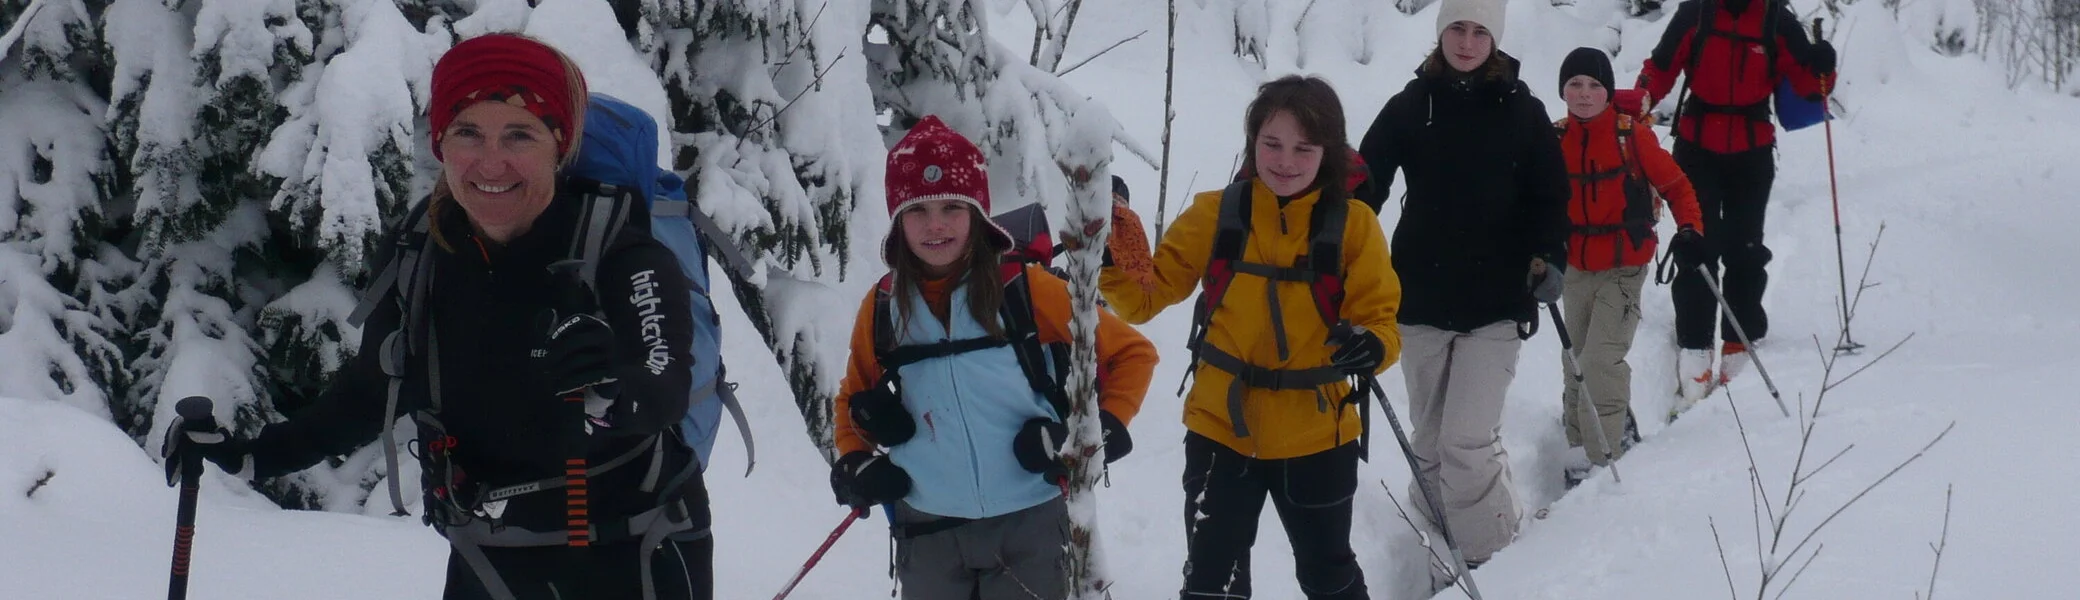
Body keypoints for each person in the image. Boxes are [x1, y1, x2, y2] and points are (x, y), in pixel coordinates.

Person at [158, 34, 713, 599]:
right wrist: (253, 456)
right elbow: (372, 390)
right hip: (486, 556)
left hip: (631, 554)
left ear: (558, 144)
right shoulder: (422, 251)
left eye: (519, 134)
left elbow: (664, 381)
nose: (490, 161)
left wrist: (615, 392)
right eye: (468, 132)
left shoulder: (620, 251)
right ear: (441, 142)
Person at [826, 115, 1158, 600]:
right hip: (929, 525)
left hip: (1030, 518)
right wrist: (856, 463)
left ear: (978, 215)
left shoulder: (1024, 289)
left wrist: (1090, 438)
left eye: (951, 208)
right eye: (918, 211)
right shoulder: (883, 305)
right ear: (898, 220)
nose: (935, 224)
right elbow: (852, 398)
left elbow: (1133, 354)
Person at [1101, 75, 1400, 600]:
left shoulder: (1353, 226)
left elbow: (1382, 317)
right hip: (1220, 429)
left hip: (1317, 434)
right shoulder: (1218, 212)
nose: (1285, 161)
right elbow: (1147, 296)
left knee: (1329, 574)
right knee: (1212, 579)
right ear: (1252, 143)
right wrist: (1109, 251)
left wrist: (1372, 345)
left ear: (1328, 152)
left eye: (1304, 149)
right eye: (1272, 144)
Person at [1354, 0, 1569, 571]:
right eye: (1457, 28)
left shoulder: (1524, 111)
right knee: (1427, 446)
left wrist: (1551, 257)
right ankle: (1439, 559)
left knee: (1467, 443)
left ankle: (1493, 563)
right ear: (1441, 33)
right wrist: (1337, 243)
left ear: (1494, 39)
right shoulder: (1411, 104)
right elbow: (1364, 182)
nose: (1467, 42)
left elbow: (1551, 196)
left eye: (1479, 31)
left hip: (1496, 301)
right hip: (1420, 297)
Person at [1634, 0, 1836, 404]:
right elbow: (1661, 67)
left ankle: (1739, 338)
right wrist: (1637, 105)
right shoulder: (1697, 12)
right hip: (1697, 144)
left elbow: (1811, 86)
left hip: (1752, 147)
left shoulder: (1776, 19)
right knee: (1696, 244)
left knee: (1745, 246)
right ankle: (1694, 342)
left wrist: (1823, 66)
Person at [1551, 47, 1707, 483]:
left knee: (1600, 358)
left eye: (1594, 85)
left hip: (1623, 267)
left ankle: (1606, 454)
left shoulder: (1630, 137)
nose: (1584, 94)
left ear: (1606, 91)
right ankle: (1579, 442)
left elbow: (1677, 186)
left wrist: (1691, 229)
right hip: (1575, 267)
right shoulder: (1554, 138)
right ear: (1562, 89)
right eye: (1575, 84)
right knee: (1574, 357)